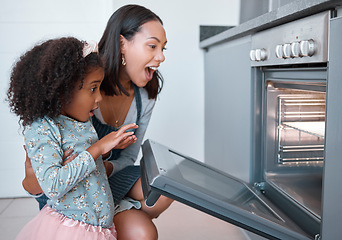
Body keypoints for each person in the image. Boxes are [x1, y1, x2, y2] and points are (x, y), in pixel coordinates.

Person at [23, 4, 173, 240]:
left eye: (163, 48)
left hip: (104, 177)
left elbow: (128, 157)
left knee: (164, 187)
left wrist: (104, 163)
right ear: (123, 44)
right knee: (143, 233)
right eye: (152, 46)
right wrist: (97, 152)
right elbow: (40, 180)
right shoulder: (79, 85)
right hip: (73, 189)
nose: (161, 57)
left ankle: (105, 218)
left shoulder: (145, 95)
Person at [8, 37, 138, 240]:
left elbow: (86, 165)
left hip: (98, 227)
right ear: (62, 90)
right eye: (93, 88)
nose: (99, 98)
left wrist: (108, 149)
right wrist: (98, 148)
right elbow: (52, 186)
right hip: (71, 230)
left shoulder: (81, 121)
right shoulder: (43, 128)